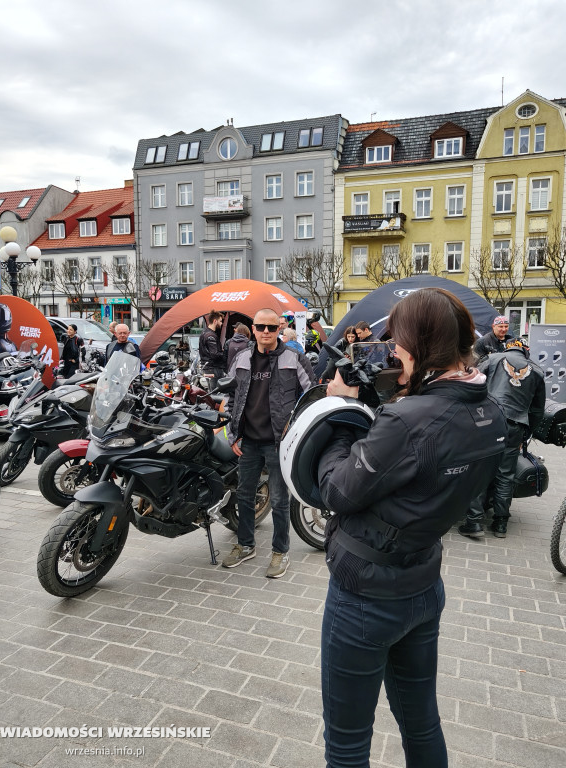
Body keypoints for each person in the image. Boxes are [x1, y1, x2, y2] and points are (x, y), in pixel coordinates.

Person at [316, 288, 507, 767]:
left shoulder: (406, 421)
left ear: (419, 345)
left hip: (365, 597)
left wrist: (342, 416)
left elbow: (338, 492)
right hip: (423, 584)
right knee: (422, 723)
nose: (391, 352)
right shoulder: (491, 413)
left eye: (396, 343)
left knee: (347, 744)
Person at [223, 308, 315, 577]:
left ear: (279, 329)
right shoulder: (241, 358)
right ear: (253, 329)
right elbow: (229, 396)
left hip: (278, 443)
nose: (266, 332)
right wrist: (232, 434)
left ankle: (280, 552)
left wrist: (294, 432)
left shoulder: (293, 357)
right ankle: (245, 545)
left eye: (271, 328)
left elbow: (311, 395)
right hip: (248, 441)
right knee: (244, 495)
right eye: (261, 327)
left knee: (278, 499)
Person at [459, 338, 545, 539]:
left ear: (508, 347)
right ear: (526, 351)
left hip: (488, 421)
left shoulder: (493, 358)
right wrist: (527, 432)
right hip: (516, 426)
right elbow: (537, 411)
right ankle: (500, 524)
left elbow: (471, 385)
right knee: (505, 475)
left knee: (479, 470)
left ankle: (474, 522)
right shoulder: (537, 371)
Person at [199, 310, 225, 390]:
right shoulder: (211, 336)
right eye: (220, 321)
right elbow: (215, 355)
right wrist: (224, 353)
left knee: (211, 392)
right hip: (213, 368)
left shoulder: (204, 333)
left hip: (208, 367)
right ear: (215, 321)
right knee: (216, 393)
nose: (221, 323)